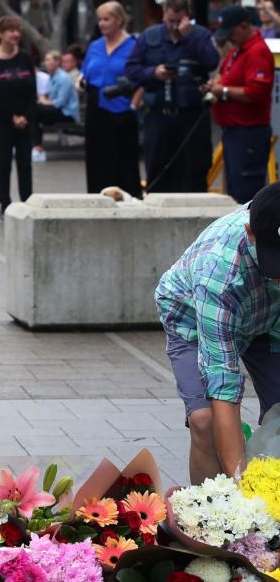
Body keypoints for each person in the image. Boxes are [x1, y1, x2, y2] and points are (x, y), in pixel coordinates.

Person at [155, 184, 280, 484]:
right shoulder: (219, 274)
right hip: (194, 317)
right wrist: (244, 498)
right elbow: (222, 387)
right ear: (251, 234)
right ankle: (208, 520)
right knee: (206, 421)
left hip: (269, 318)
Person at [124, 0, 219, 194]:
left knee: (195, 172)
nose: (174, 26)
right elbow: (131, 70)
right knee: (157, 172)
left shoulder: (200, 35)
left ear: (188, 16)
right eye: (170, 20)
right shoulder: (149, 37)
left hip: (192, 117)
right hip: (158, 116)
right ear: (163, 15)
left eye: (179, 21)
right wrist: (154, 73)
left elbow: (211, 62)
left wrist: (190, 36)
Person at [204, 5, 274, 204]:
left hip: (249, 133)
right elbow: (223, 75)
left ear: (244, 26)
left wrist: (222, 91)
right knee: (234, 192)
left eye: (231, 32)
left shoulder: (257, 51)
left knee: (246, 194)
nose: (228, 38)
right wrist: (215, 85)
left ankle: (249, 234)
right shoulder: (237, 51)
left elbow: (256, 93)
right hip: (234, 133)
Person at [78, 1, 140, 197]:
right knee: (97, 160)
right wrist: (79, 83)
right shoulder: (95, 46)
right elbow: (83, 74)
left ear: (119, 20)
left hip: (122, 107)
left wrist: (133, 105)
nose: (102, 23)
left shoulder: (133, 46)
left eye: (107, 19)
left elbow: (142, 80)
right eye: (100, 19)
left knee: (123, 162)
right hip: (96, 107)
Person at [0, 15, 35, 223]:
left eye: (17, 30)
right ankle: (5, 204)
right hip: (2, 122)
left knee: (25, 164)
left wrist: (25, 116)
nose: (15, 34)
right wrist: (12, 117)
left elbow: (33, 91)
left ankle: (28, 202)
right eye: (10, 30)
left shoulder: (25, 58)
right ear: (0, 34)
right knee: (4, 164)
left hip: (26, 121)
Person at [31, 50, 79, 163]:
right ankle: (35, 146)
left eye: (48, 60)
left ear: (57, 62)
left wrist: (44, 102)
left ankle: (37, 147)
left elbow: (60, 102)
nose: (45, 63)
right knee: (32, 112)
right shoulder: (52, 77)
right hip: (56, 109)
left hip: (66, 113)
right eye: (45, 60)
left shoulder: (63, 78)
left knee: (35, 110)